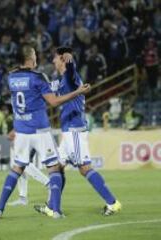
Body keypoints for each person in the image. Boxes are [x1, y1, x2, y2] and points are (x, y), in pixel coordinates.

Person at [0, 45, 90, 219]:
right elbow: (53, 101)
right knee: (54, 169)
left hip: (21, 131)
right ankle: (56, 211)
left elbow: (21, 103)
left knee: (17, 168)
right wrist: (77, 92)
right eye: (35, 55)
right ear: (30, 58)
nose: (37, 58)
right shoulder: (38, 77)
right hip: (40, 130)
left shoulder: (12, 77)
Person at [36, 47, 121, 216]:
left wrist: (71, 61)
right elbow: (49, 88)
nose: (53, 61)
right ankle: (53, 207)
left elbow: (72, 73)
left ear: (62, 59)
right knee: (56, 167)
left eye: (55, 58)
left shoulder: (70, 76)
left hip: (74, 130)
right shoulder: (60, 80)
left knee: (84, 168)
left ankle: (112, 203)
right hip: (68, 130)